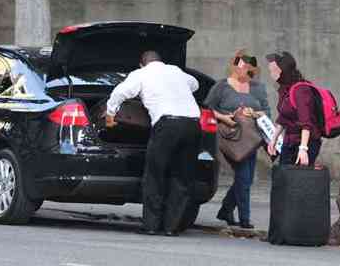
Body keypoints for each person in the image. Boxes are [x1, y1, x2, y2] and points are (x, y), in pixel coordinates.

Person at [105, 50, 201, 236]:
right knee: (182, 178)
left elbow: (120, 92)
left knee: (155, 175)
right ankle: (172, 228)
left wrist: (110, 115)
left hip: (167, 125)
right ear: (161, 61)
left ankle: (151, 226)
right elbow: (195, 84)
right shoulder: (175, 71)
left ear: (142, 64)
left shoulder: (140, 74)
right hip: (192, 125)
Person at [204, 50, 269, 229]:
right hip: (230, 137)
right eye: (242, 65)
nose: (245, 70)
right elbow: (208, 109)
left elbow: (266, 112)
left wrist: (253, 113)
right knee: (243, 177)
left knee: (245, 179)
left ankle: (226, 209)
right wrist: (224, 117)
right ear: (234, 65)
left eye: (249, 67)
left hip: (250, 139)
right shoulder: (221, 87)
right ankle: (245, 219)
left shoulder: (258, 88)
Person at [265, 51, 322, 165]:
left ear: (283, 70)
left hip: (306, 142)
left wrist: (303, 149)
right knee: (284, 178)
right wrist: (274, 139)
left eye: (273, 70)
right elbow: (283, 117)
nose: (271, 73)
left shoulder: (301, 90)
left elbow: (306, 122)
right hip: (289, 141)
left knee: (299, 180)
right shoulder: (284, 89)